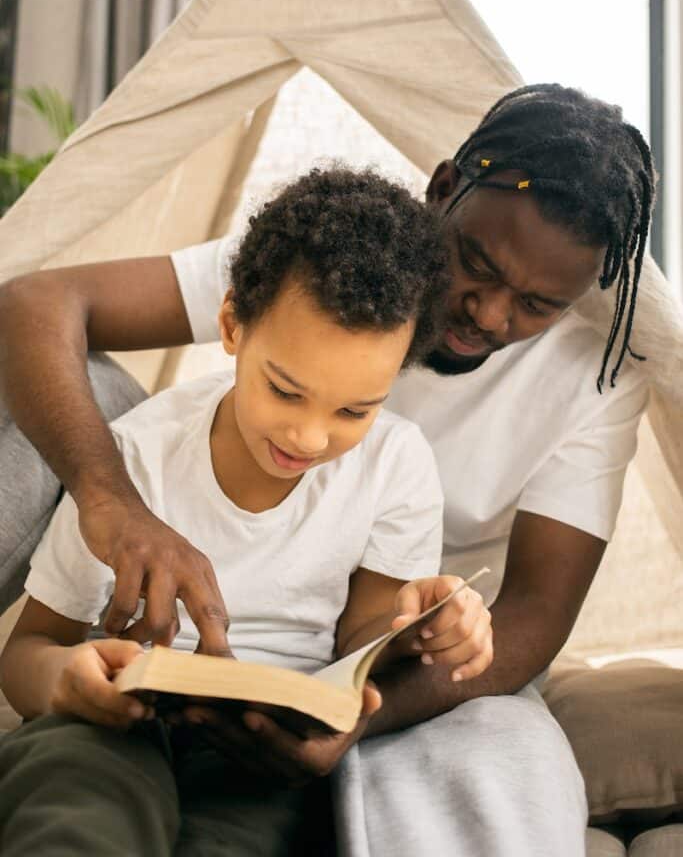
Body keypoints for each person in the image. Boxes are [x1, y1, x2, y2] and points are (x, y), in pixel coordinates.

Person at [0, 84, 656, 856]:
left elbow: (532, 618)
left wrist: (358, 706)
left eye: (537, 305)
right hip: (158, 589)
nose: (487, 313)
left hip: (408, 665)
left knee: (492, 755)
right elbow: (36, 304)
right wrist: (107, 497)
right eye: (473, 264)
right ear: (442, 189)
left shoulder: (584, 380)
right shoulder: (322, 264)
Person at [0, 167, 493, 856]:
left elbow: (364, 641)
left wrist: (420, 627)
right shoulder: (137, 455)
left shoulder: (395, 465)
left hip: (261, 750)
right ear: (232, 326)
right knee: (78, 813)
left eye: (354, 409)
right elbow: (27, 650)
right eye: (285, 391)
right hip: (109, 726)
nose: (309, 437)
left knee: (252, 834)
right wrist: (63, 685)